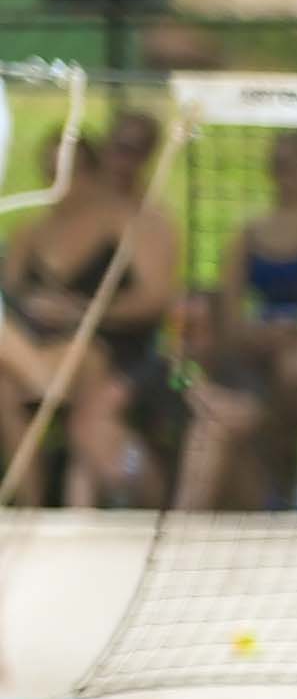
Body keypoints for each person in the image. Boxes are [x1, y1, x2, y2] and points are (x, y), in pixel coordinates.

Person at [173, 125, 297, 510]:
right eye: (275, 164)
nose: (282, 173)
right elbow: (231, 313)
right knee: (246, 373)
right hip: (265, 341)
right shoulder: (249, 231)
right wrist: (257, 333)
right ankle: (270, 477)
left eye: (291, 164)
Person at [0, 105, 182, 508]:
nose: (61, 182)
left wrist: (80, 311)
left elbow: (155, 298)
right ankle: (31, 505)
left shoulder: (127, 221)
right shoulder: (28, 232)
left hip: (101, 348)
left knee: (76, 361)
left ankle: (46, 383)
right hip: (37, 342)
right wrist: (34, 308)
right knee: (3, 388)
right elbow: (11, 296)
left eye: (71, 171)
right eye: (52, 171)